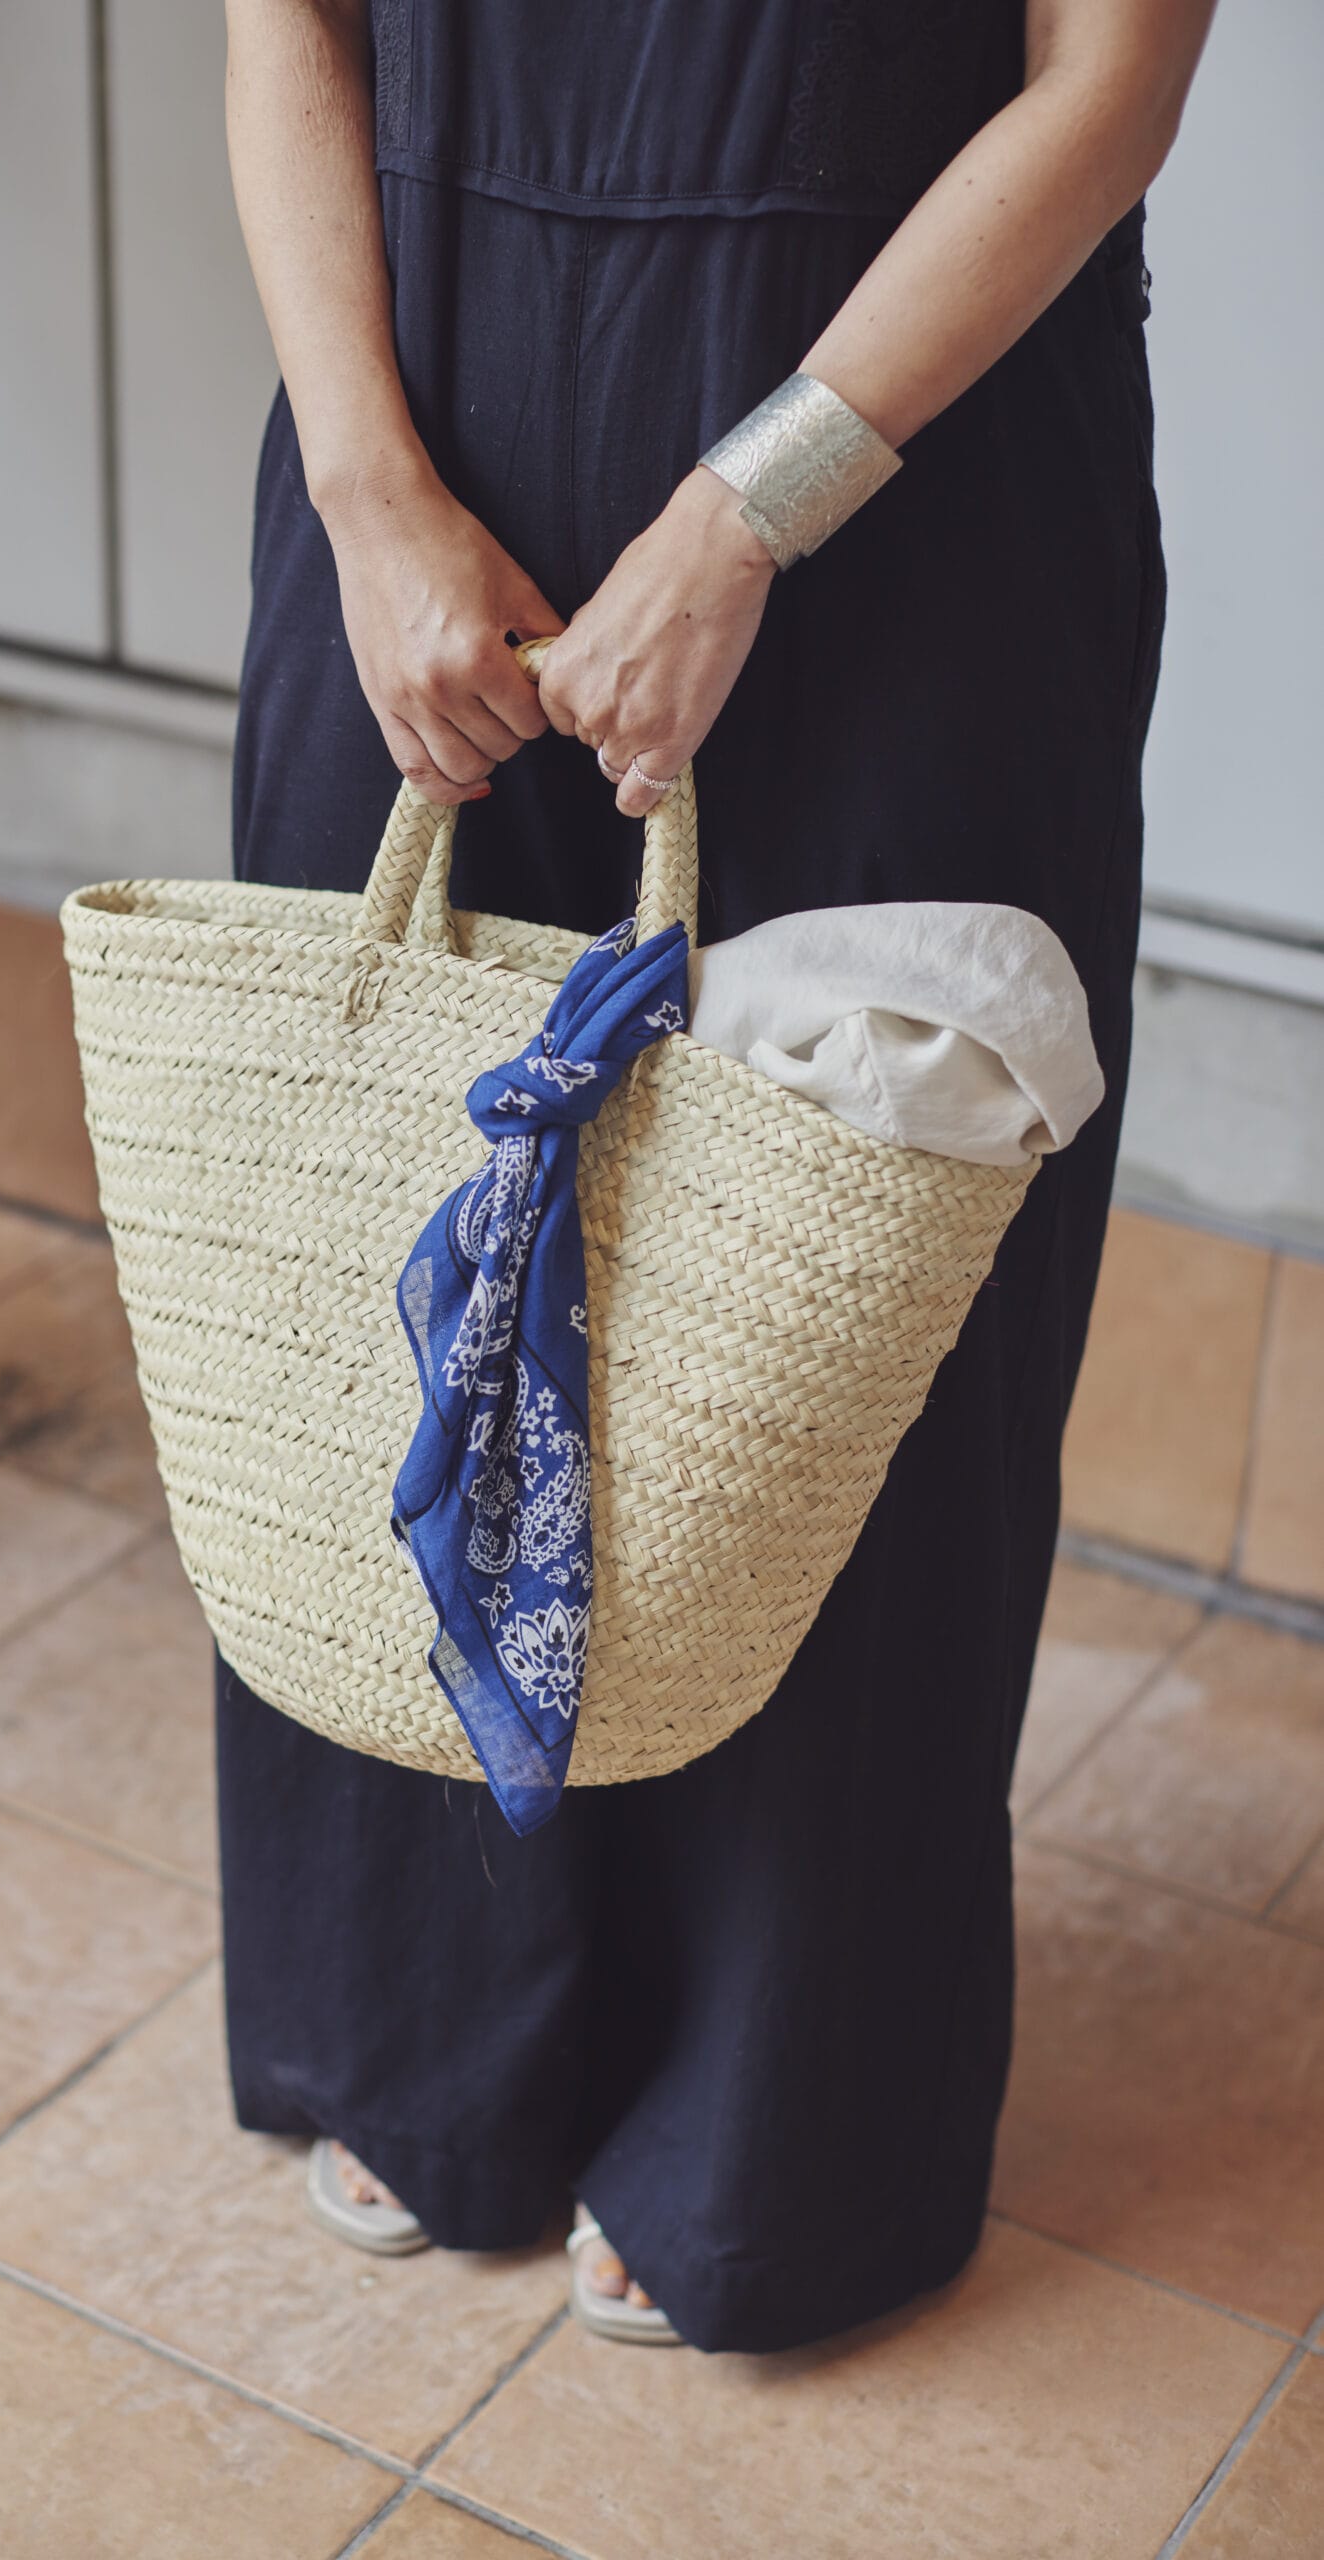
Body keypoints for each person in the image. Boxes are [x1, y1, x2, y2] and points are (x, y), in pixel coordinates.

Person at [214, 0, 1217, 2351]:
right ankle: (426, 2029)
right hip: (421, 441)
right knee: (393, 1249)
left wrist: (743, 511)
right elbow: (286, 28)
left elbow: (1104, 79)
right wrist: (365, 493)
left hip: (911, 480)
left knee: (841, 1328)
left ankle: (780, 2126)